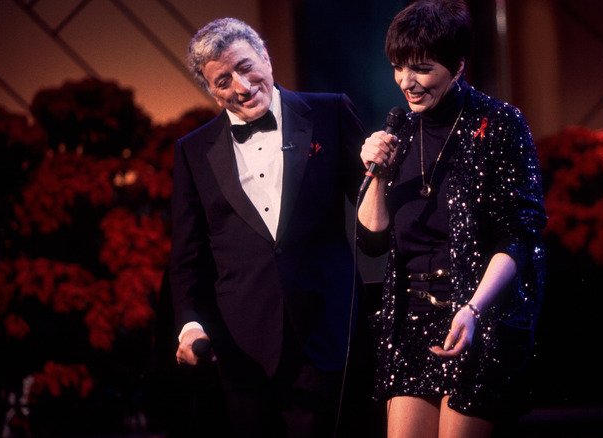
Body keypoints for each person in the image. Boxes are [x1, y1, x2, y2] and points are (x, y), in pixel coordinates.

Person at [169, 17, 368, 437]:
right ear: (210, 90)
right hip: (240, 350)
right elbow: (188, 258)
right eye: (223, 81)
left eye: (245, 67)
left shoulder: (330, 112)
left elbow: (374, 206)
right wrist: (190, 325)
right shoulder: (192, 151)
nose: (241, 87)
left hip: (325, 336)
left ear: (265, 56)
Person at [357, 1, 547, 437]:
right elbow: (371, 241)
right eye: (397, 67)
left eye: (422, 69)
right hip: (409, 319)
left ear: (458, 65)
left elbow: (520, 235)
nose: (407, 82)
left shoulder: (499, 123)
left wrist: (474, 309)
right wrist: (378, 177)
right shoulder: (400, 131)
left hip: (478, 314)